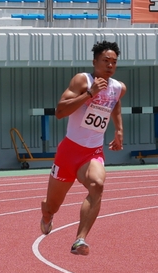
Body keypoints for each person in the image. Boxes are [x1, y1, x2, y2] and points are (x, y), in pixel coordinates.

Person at [38, 40, 126, 256]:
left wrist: (119, 130)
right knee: (53, 206)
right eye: (105, 60)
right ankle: (47, 213)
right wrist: (89, 94)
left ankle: (80, 239)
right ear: (94, 61)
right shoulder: (82, 80)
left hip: (93, 152)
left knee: (97, 185)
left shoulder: (118, 87)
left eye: (114, 61)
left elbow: (114, 103)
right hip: (68, 152)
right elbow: (59, 112)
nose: (110, 65)